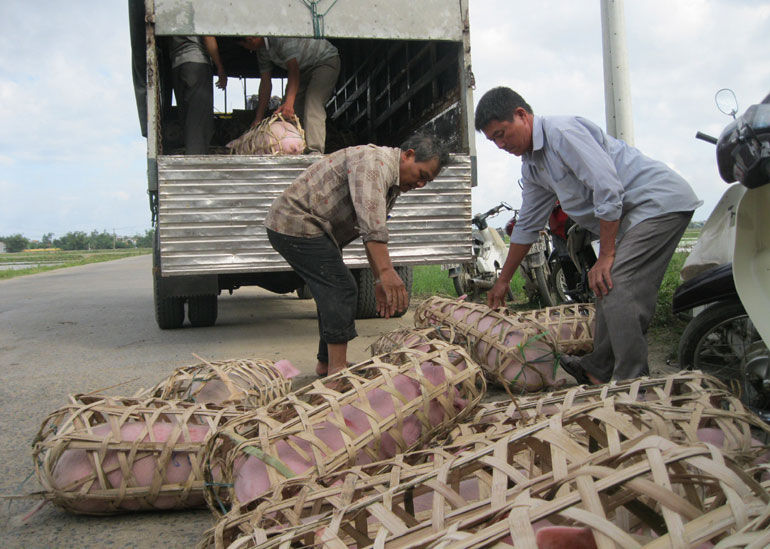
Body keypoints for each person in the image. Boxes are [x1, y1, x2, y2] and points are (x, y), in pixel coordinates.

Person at [475, 87, 702, 384]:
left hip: (657, 205)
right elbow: (528, 224)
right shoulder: (533, 166)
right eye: (494, 140)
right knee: (604, 285)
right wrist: (503, 280)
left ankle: (632, 383)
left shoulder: (562, 133)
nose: (501, 144)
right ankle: (599, 368)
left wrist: (606, 255)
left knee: (618, 284)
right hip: (633, 217)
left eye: (502, 134)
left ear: (522, 115)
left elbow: (607, 188)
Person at [265, 134, 448, 376]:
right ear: (409, 155)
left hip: (315, 228)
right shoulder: (375, 163)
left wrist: (378, 279)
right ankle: (337, 371)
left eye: (428, 181)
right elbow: (373, 230)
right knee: (341, 288)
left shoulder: (390, 181)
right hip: (295, 222)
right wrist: (386, 273)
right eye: (422, 175)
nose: (421, 184)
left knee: (332, 289)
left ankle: (327, 364)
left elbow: (370, 230)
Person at [238, 36, 340, 153]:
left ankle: (314, 150)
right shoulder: (262, 52)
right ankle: (295, 149)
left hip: (325, 61)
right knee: (289, 111)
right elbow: (265, 83)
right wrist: (258, 118)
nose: (248, 49)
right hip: (303, 69)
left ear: (250, 39)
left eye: (245, 46)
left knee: (312, 103)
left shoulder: (279, 39)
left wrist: (289, 104)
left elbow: (293, 70)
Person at [168, 36, 227, 154]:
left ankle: (191, 157)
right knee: (199, 123)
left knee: (188, 120)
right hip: (197, 63)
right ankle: (195, 165)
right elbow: (208, 36)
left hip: (177, 64)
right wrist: (220, 66)